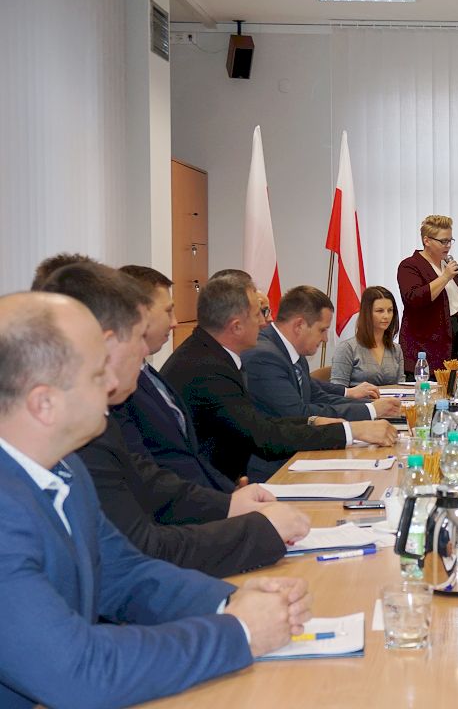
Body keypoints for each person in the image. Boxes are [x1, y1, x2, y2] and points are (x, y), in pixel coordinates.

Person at [0, 291, 311, 708]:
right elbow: (80, 672)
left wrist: (228, 601)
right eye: (96, 374)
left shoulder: (65, 467)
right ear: (44, 404)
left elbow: (124, 574)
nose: (113, 384)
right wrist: (239, 632)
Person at [41, 262, 308, 578]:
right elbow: (141, 551)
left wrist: (228, 503)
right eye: (138, 337)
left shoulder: (95, 424)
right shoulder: (85, 436)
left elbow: (148, 483)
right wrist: (257, 531)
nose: (144, 351)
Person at [161, 274, 398, 482]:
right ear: (236, 326)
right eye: (259, 313)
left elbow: (267, 421)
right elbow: (263, 434)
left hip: (227, 479)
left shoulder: (212, 354)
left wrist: (323, 422)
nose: (265, 321)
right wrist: (350, 430)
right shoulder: (210, 368)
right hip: (227, 482)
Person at [114, 265, 237, 492]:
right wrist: (226, 503)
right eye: (168, 311)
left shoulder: (148, 373)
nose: (175, 322)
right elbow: (146, 475)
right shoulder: (119, 389)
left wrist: (231, 493)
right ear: (139, 314)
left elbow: (192, 457)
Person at [243, 285, 400, 423]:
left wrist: (373, 406)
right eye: (322, 330)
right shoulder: (264, 357)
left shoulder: (293, 351)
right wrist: (371, 410)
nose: (325, 339)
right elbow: (298, 415)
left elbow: (318, 396)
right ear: (299, 325)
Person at [397, 214, 458, 376]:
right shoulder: (410, 265)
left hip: (455, 347)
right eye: (443, 241)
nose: (448, 246)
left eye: (450, 240)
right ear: (427, 241)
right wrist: (445, 277)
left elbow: (456, 305)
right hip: (425, 352)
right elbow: (414, 299)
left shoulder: (448, 265)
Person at [331, 285, 406, 386]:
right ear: (367, 313)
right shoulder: (347, 348)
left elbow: (401, 387)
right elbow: (337, 391)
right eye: (380, 311)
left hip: (391, 397)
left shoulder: (396, 349)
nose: (386, 316)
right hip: (357, 397)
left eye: (390, 310)